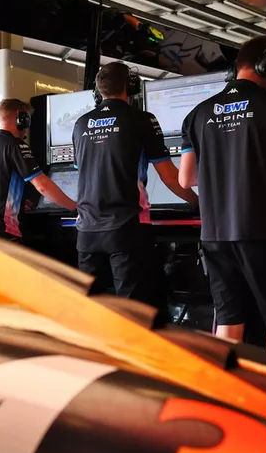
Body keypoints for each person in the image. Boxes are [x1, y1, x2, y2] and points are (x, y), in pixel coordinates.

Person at [179, 36, 266, 358]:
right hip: (264, 231)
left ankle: (228, 401)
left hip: (214, 235)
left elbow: (187, 178)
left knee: (229, 321)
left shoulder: (197, 114)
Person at [73, 62, 198, 308]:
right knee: (133, 310)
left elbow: (83, 169)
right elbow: (170, 177)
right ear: (131, 87)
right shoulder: (141, 120)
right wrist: (199, 202)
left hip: (86, 232)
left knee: (89, 310)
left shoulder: (80, 124)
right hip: (126, 228)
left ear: (99, 91)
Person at [0, 98, 76, 240]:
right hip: (3, 230)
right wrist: (75, 207)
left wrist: (20, 202)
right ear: (22, 119)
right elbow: (42, 185)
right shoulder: (15, 145)